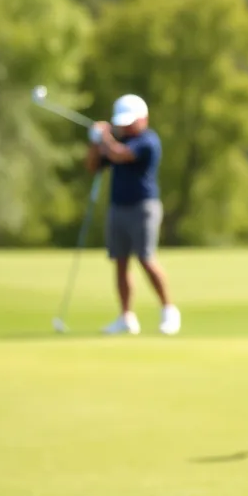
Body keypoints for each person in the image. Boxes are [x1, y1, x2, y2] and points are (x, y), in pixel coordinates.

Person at [86, 94, 180, 337]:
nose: (126, 126)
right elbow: (93, 166)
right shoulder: (117, 141)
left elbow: (120, 154)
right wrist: (95, 143)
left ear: (143, 118)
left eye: (130, 122)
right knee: (120, 262)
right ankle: (126, 317)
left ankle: (169, 311)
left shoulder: (147, 141)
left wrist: (104, 137)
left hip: (143, 207)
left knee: (146, 258)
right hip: (118, 207)